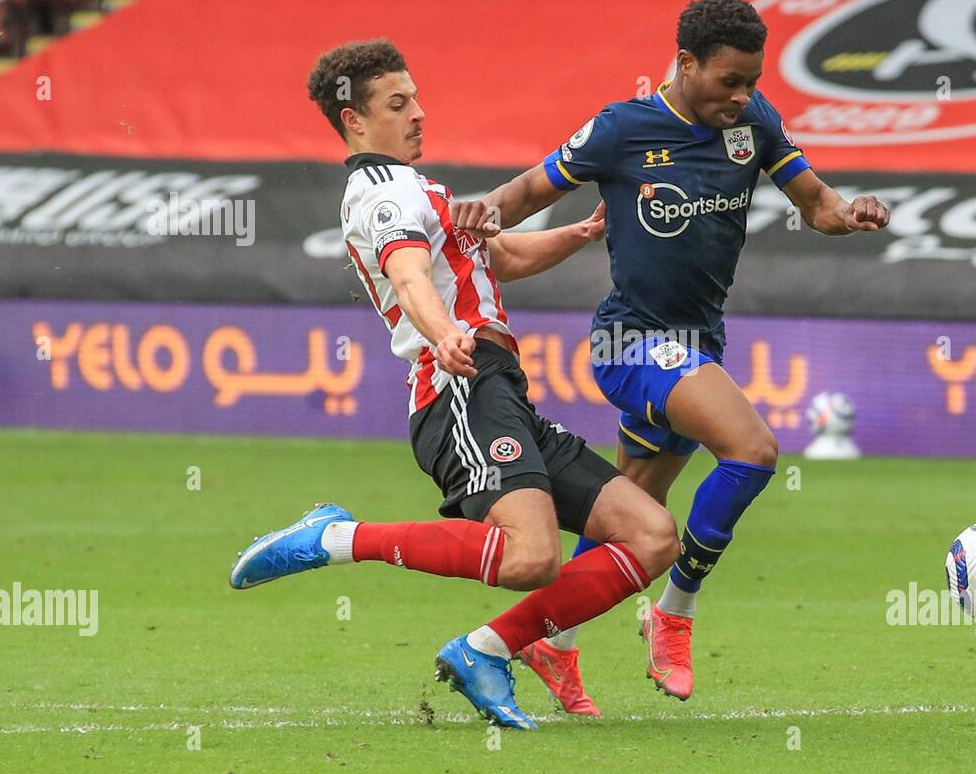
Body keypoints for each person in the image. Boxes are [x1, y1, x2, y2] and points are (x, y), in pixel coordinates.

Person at [452, 0, 889, 712]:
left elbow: (815, 204)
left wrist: (850, 212)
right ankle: (675, 612)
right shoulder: (623, 130)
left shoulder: (754, 122)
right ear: (686, 64)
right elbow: (529, 189)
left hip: (696, 346)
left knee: (632, 517)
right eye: (728, 80)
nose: (742, 95)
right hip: (631, 342)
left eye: (752, 80)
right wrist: (470, 216)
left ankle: (542, 645)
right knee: (751, 451)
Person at [228, 39, 680, 730]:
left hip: (500, 389)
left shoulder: (421, 189)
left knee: (650, 535)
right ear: (354, 120)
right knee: (531, 556)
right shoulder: (381, 195)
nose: (419, 114)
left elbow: (500, 256)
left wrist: (581, 232)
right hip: (458, 388)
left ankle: (486, 649)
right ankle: (337, 539)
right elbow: (409, 278)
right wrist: (444, 335)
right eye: (397, 104)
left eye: (416, 98)